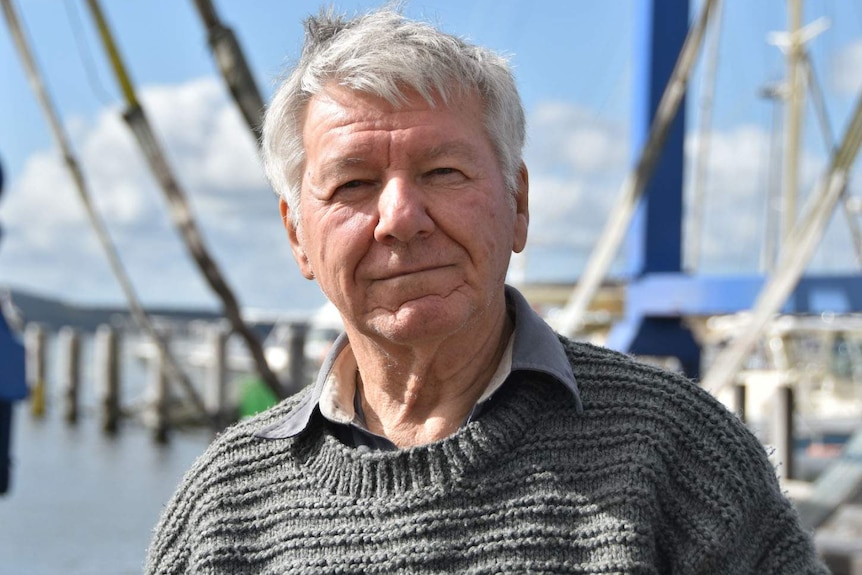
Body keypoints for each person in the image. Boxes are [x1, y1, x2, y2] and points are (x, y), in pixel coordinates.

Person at [145, 7, 828, 574]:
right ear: (298, 235)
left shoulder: (677, 454)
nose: (401, 218)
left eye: (443, 171)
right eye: (353, 183)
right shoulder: (224, 508)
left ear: (518, 203)